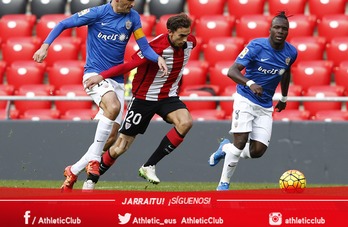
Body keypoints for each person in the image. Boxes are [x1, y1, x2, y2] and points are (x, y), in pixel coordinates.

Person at [32, 0, 168, 191]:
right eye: (129, 1)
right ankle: (94, 161)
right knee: (112, 107)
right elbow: (63, 23)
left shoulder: (133, 17)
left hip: (117, 80)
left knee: (111, 138)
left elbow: (144, 48)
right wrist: (45, 46)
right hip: (94, 75)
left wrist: (157, 57)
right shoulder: (96, 13)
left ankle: (73, 170)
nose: (133, 4)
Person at [83, 13, 195, 189]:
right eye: (181, 35)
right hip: (144, 98)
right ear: (170, 32)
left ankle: (149, 165)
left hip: (168, 96)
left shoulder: (190, 43)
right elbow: (129, 65)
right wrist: (101, 76)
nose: (185, 39)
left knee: (186, 122)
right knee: (120, 147)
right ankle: (91, 180)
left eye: (187, 34)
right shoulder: (155, 47)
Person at [208, 11, 298, 191]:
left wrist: (284, 97)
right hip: (245, 99)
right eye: (277, 27)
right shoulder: (257, 46)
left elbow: (286, 72)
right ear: (270, 29)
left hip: (265, 105)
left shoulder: (291, 52)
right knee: (240, 142)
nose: (280, 31)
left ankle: (225, 148)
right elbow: (232, 71)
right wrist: (250, 83)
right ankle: (223, 185)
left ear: (288, 32)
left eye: (284, 29)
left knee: (258, 151)